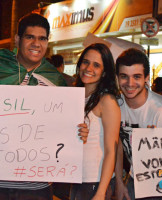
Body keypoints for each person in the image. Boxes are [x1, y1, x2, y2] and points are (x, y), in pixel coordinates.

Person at [0, 13, 88, 200]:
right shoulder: (1, 68)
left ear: (48, 42)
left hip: (37, 186)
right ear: (17, 40)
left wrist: (79, 133)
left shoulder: (56, 81)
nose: (36, 43)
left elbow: (64, 128)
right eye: (29, 37)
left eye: (42, 38)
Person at [114, 48, 162, 200]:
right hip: (133, 179)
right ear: (117, 78)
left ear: (146, 78)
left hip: (161, 186)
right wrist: (119, 181)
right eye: (124, 76)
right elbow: (116, 144)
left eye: (136, 77)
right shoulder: (117, 104)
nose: (130, 83)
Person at [70, 43, 121, 200]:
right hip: (76, 178)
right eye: (85, 62)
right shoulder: (75, 96)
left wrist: (101, 192)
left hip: (95, 182)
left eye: (96, 65)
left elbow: (111, 150)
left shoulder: (107, 101)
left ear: (105, 72)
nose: (88, 68)